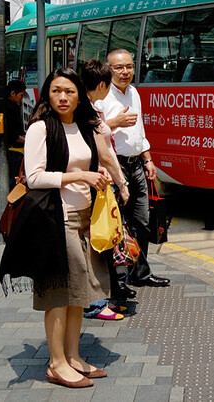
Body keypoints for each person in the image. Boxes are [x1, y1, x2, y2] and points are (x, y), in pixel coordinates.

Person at [1, 68, 128, 388]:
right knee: (59, 293)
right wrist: (79, 177)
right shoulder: (41, 128)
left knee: (78, 293)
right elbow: (35, 177)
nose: (62, 97)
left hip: (86, 218)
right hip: (56, 220)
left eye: (69, 91)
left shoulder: (83, 127)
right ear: (47, 94)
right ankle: (56, 363)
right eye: (56, 90)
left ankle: (73, 356)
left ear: (79, 96)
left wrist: (102, 176)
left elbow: (94, 159)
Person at [96, 48, 170, 288]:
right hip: (113, 165)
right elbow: (92, 132)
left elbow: (140, 131)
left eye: (129, 66)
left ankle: (141, 273)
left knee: (142, 222)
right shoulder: (102, 96)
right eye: (119, 67)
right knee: (116, 225)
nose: (125, 71)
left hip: (136, 164)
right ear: (109, 69)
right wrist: (114, 122)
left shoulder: (134, 92)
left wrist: (148, 159)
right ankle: (117, 282)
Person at [81, 59, 132, 317]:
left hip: (98, 184)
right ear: (101, 85)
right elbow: (106, 154)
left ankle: (108, 298)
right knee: (100, 243)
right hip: (96, 185)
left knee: (104, 241)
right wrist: (121, 183)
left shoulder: (89, 107)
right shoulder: (87, 111)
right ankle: (97, 303)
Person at [4, 80, 28, 189]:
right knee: (15, 181)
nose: (22, 98)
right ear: (13, 93)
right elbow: (13, 135)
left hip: (14, 151)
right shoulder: (10, 108)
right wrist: (27, 140)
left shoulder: (10, 106)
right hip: (15, 152)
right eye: (21, 95)